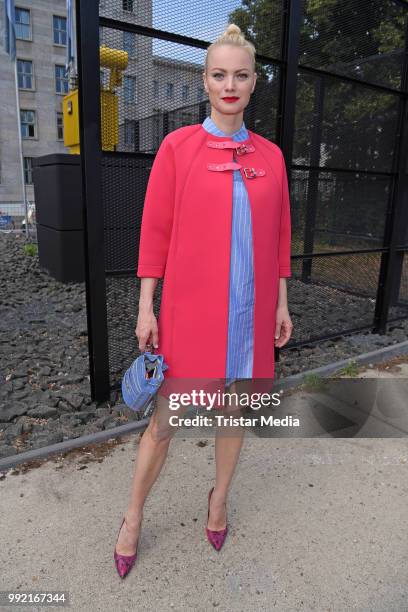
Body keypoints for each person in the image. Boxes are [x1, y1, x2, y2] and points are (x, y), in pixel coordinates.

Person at [113, 23, 293, 578]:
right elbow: (156, 229)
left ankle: (217, 502)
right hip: (191, 314)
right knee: (165, 424)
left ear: (254, 82)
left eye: (240, 75)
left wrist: (281, 303)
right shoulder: (179, 148)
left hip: (251, 315)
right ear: (205, 81)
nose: (230, 84)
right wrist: (147, 305)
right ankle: (134, 518)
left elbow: (281, 234)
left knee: (234, 414)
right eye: (219, 75)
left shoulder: (272, 157)